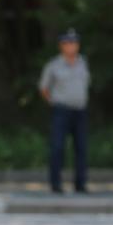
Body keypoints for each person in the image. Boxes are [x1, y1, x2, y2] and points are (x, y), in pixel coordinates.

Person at [39, 28, 90, 194]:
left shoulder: (83, 62)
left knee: (81, 148)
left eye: (74, 43)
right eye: (68, 43)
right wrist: (53, 102)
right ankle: (56, 184)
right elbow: (44, 88)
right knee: (57, 147)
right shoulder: (53, 65)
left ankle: (80, 184)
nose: (72, 46)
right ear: (61, 45)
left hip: (80, 111)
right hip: (61, 110)